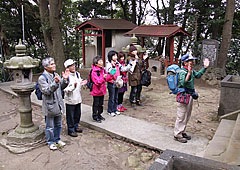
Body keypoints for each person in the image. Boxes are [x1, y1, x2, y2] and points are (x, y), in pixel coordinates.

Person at [174, 54, 210, 143]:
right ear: (185, 63)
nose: (193, 62)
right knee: (181, 115)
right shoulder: (182, 72)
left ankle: (182, 131)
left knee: (187, 115)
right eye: (191, 61)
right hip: (183, 95)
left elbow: (197, 75)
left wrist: (205, 68)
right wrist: (189, 73)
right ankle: (177, 134)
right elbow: (183, 83)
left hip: (189, 95)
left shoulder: (191, 70)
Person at [38, 57, 70, 150]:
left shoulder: (56, 74)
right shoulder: (42, 78)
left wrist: (64, 80)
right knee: (50, 126)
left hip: (58, 104)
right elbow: (47, 91)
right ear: (45, 66)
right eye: (51, 64)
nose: (54, 65)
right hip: (49, 105)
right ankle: (50, 142)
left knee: (58, 124)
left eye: (54, 63)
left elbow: (61, 87)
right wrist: (55, 83)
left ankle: (57, 139)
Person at [106, 50, 134, 116]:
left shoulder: (117, 63)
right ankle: (110, 111)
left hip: (117, 82)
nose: (116, 57)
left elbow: (123, 69)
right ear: (111, 57)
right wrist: (113, 67)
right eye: (114, 56)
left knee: (116, 97)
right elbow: (110, 73)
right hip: (111, 82)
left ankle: (115, 109)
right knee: (112, 98)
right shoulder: (109, 64)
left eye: (116, 55)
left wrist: (130, 65)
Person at [63, 59, 87, 137]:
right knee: (70, 116)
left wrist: (82, 83)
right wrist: (73, 87)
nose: (73, 67)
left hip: (78, 98)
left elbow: (79, 82)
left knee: (77, 114)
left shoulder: (77, 74)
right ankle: (71, 130)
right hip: (70, 100)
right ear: (67, 68)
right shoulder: (66, 77)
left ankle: (76, 126)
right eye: (71, 66)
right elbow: (65, 89)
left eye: (73, 65)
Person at [127, 44, 149, 109]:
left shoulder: (138, 57)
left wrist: (143, 59)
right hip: (133, 76)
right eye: (133, 51)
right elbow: (132, 66)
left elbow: (140, 65)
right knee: (134, 89)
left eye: (135, 50)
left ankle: (137, 100)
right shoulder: (129, 58)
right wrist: (136, 59)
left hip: (139, 75)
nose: (135, 52)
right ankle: (132, 101)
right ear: (130, 52)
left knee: (139, 89)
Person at [91, 56, 108, 123]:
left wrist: (110, 75)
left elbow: (106, 78)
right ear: (96, 63)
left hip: (102, 90)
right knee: (96, 104)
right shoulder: (94, 71)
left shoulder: (103, 69)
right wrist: (103, 78)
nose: (102, 62)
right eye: (100, 61)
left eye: (102, 61)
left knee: (101, 104)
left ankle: (99, 114)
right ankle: (95, 116)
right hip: (96, 90)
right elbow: (97, 82)